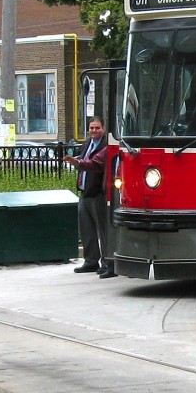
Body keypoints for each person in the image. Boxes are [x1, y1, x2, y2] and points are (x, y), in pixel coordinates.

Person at [63, 118, 113, 278]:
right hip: (84, 193)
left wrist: (77, 162)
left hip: (98, 193)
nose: (93, 131)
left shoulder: (106, 146)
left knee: (103, 230)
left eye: (97, 128)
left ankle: (107, 263)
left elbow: (93, 164)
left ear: (103, 129)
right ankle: (91, 261)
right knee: (86, 229)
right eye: (91, 128)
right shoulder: (86, 144)